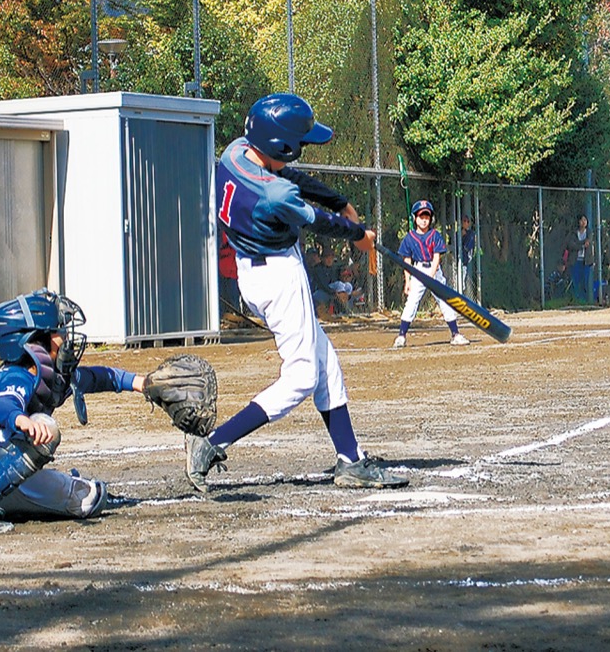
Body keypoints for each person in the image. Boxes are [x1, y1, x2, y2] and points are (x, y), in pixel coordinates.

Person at [186, 92, 407, 493]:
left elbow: (292, 177)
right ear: (280, 145)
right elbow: (317, 220)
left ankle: (350, 459)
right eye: (298, 143)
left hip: (254, 273)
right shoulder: (273, 194)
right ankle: (213, 442)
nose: (301, 148)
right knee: (303, 375)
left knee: (326, 362)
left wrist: (339, 201)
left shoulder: (235, 153)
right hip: (279, 278)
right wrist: (359, 234)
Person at [0, 289, 147, 534]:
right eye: (58, 331)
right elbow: (3, 404)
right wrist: (21, 420)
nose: (66, 337)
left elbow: (101, 377)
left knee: (89, 499)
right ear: (36, 341)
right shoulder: (15, 375)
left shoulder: (50, 376)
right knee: (45, 427)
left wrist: (144, 383)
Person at [392, 200, 471, 348]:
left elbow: (436, 257)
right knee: (412, 302)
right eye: (421, 216)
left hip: (434, 270)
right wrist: (407, 281)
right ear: (415, 218)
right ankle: (401, 335)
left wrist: (432, 275)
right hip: (418, 270)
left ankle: (455, 334)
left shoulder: (435, 235)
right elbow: (407, 261)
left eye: (427, 217)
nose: (424, 220)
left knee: (445, 301)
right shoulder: (409, 238)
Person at [572, 214, 594, 301]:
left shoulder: (589, 232)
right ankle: (577, 299)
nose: (584, 222)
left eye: (585, 220)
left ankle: (585, 300)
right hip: (576, 260)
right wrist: (581, 245)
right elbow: (572, 244)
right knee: (576, 280)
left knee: (585, 281)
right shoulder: (574, 233)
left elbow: (588, 242)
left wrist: (579, 243)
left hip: (586, 261)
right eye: (582, 220)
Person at [459, 214, 476, 297]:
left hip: (464, 259)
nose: (466, 223)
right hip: (456, 259)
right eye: (464, 221)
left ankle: (462, 294)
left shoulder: (471, 234)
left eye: (468, 221)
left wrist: (464, 236)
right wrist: (460, 236)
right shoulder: (458, 233)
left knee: (462, 280)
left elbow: (467, 247)